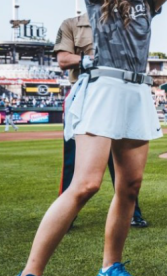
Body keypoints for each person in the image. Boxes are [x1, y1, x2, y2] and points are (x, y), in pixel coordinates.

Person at [5, 0, 167, 276]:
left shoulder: (148, 4)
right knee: (85, 185)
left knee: (130, 187)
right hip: (102, 88)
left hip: (136, 94)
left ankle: (110, 269)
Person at [53, 13, 147, 229]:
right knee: (74, 160)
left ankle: (132, 212)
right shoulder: (72, 23)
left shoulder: (125, 20)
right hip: (86, 92)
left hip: (117, 93)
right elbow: (63, 59)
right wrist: (88, 60)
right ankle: (66, 216)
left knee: (122, 160)